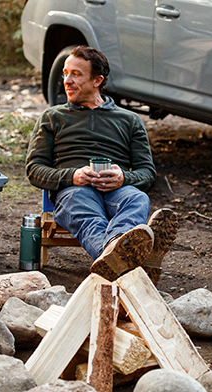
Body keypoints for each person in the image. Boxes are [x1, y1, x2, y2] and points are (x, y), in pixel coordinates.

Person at [26, 46, 177, 282]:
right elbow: (34, 170)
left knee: (138, 199)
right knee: (83, 208)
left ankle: (116, 257)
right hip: (75, 191)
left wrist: (123, 178)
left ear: (98, 80)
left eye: (76, 74)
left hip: (116, 191)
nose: (67, 80)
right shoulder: (53, 117)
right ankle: (130, 257)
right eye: (65, 73)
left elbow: (147, 173)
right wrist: (73, 176)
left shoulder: (128, 120)